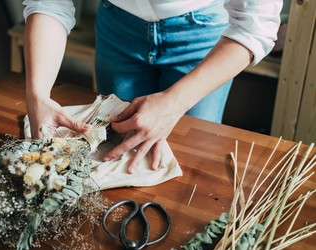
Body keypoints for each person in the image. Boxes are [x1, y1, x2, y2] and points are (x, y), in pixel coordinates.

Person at [22, 0, 282, 174]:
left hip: (204, 39)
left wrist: (175, 102)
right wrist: (38, 94)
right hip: (117, 28)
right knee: (112, 155)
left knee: (188, 162)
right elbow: (49, 3)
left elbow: (255, 28)